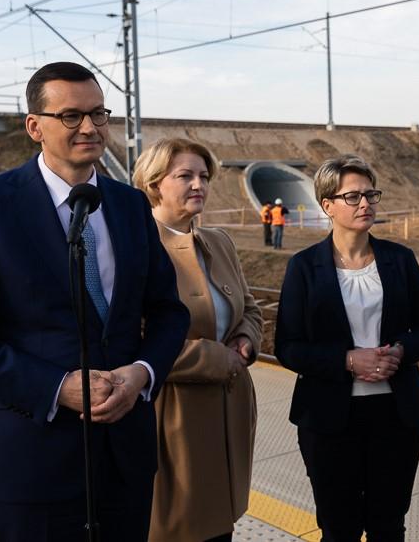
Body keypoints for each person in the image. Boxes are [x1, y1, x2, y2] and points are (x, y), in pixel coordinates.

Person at [0, 61, 190, 541]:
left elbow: (168, 312)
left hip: (124, 461)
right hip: (32, 463)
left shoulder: (131, 205)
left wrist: (143, 374)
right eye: (71, 116)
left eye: (98, 114)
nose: (90, 127)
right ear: (35, 126)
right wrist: (57, 387)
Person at [275, 155, 419, 542]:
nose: (365, 203)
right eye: (353, 196)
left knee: (388, 525)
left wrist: (400, 351)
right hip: (330, 419)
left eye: (370, 194)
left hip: (396, 416)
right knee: (339, 527)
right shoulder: (304, 266)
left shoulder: (400, 259)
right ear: (327, 205)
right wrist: (347, 360)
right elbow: (288, 346)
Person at [133, 137, 263, 542]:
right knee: (179, 528)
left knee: (219, 526)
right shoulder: (135, 246)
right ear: (154, 183)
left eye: (204, 176)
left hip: (228, 410)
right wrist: (214, 359)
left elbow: (251, 308)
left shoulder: (219, 242)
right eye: (185, 175)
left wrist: (244, 339)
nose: (198, 185)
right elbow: (131, 338)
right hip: (172, 417)